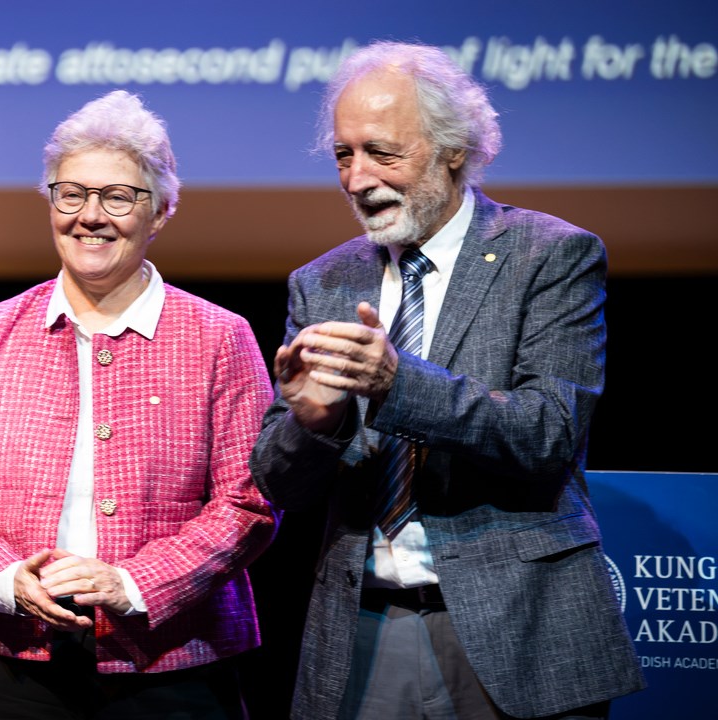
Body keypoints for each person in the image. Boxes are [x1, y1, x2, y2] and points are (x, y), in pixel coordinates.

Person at [248, 41, 645, 720]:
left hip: (517, 630)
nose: (357, 178)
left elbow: (548, 433)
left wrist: (397, 384)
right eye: (344, 155)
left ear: (453, 149)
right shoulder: (323, 282)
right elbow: (281, 486)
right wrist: (316, 427)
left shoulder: (549, 255)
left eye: (382, 152)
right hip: (363, 631)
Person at [0, 89, 278, 719]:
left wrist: (132, 586)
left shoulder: (221, 337)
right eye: (71, 194)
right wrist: (2, 579)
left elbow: (251, 500)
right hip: (11, 663)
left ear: (159, 212)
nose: (90, 215)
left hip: (171, 666)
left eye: (118, 197)